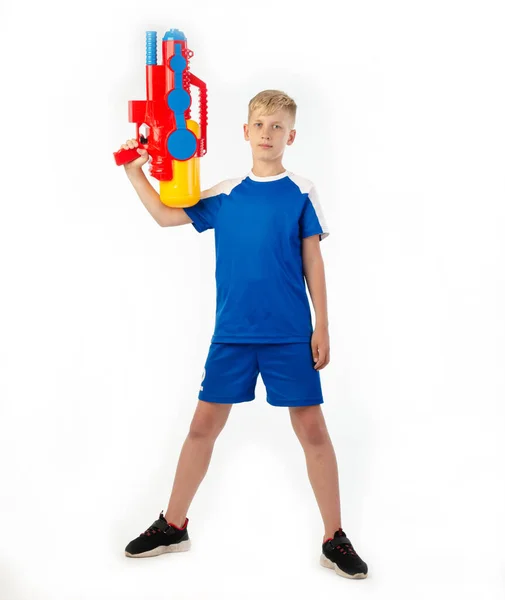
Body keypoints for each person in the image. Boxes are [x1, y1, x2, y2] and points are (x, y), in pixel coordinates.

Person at [118, 90, 368, 579]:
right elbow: (166, 215)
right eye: (260, 125)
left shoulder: (301, 191)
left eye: (278, 127)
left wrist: (323, 324)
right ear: (245, 131)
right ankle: (173, 524)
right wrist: (135, 171)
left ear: (291, 136)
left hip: (289, 335)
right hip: (231, 334)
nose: (268, 134)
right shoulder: (225, 193)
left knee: (313, 430)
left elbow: (313, 260)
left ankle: (334, 537)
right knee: (201, 428)